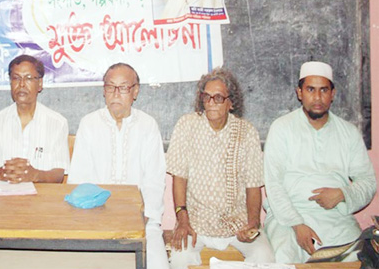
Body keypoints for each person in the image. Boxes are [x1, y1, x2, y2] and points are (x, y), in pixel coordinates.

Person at [264, 61, 376, 263]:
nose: (317, 98)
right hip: (288, 219)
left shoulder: (348, 133)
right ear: (300, 93)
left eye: (324, 90)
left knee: (359, 260)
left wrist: (343, 194)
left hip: (336, 219)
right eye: (310, 90)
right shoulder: (282, 128)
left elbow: (368, 182)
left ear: (332, 94)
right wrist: (297, 224)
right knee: (284, 257)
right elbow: (273, 184)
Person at [165, 68, 274, 269]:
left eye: (218, 98)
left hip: (236, 225)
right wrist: (182, 219)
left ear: (231, 102)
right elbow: (179, 177)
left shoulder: (247, 132)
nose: (211, 103)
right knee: (179, 258)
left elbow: (253, 186)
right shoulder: (187, 125)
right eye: (206, 97)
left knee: (264, 256)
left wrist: (252, 223)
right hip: (196, 223)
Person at [68, 63, 169, 269]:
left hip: (142, 221)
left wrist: (142, 220)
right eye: (110, 87)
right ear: (103, 91)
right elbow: (79, 180)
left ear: (135, 91)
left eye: (123, 88)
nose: (116, 94)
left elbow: (154, 181)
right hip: (96, 220)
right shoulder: (89, 124)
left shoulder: (147, 126)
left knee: (157, 265)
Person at [0, 55, 69, 183]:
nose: (21, 84)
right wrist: (2, 173)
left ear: (40, 84)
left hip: (42, 199)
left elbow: (59, 175)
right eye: (16, 78)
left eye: (28, 78)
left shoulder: (57, 123)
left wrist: (34, 175)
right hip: (5, 198)